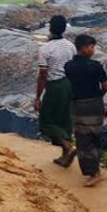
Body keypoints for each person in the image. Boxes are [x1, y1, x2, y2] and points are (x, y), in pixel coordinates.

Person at [64, 34, 107, 187]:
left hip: (79, 106)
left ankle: (93, 172)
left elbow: (70, 86)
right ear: (83, 48)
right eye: (91, 47)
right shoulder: (96, 66)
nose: (93, 50)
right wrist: (97, 96)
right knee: (94, 137)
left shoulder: (69, 66)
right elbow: (105, 86)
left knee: (83, 139)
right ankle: (96, 169)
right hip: (96, 105)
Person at [35, 15, 77, 167]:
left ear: (50, 28)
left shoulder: (45, 48)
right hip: (69, 84)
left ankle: (68, 146)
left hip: (55, 86)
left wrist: (38, 97)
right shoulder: (70, 46)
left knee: (46, 122)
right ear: (64, 28)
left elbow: (43, 75)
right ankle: (65, 156)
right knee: (65, 119)